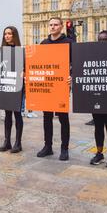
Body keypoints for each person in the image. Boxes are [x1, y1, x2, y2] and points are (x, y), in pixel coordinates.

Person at [37, 17, 73, 161]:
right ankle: (48, 146)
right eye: (51, 25)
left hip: (61, 85)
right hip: (47, 84)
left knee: (63, 118)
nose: (53, 27)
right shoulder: (44, 43)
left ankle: (64, 148)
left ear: (61, 26)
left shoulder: (69, 42)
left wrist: (72, 76)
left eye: (56, 25)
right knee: (47, 117)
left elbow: (76, 61)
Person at [89, 30, 107, 168]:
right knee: (98, 127)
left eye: (105, 40)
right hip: (96, 97)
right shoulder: (92, 57)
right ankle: (99, 153)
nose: (102, 42)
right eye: (100, 40)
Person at [0, 26, 24, 153]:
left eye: (9, 33)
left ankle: (18, 142)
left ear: (14, 35)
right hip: (5, 84)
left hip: (17, 85)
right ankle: (7, 141)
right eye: (5, 34)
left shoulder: (20, 51)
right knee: (7, 114)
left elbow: (25, 67)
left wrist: (24, 72)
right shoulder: (0, 51)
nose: (7, 36)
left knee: (17, 114)